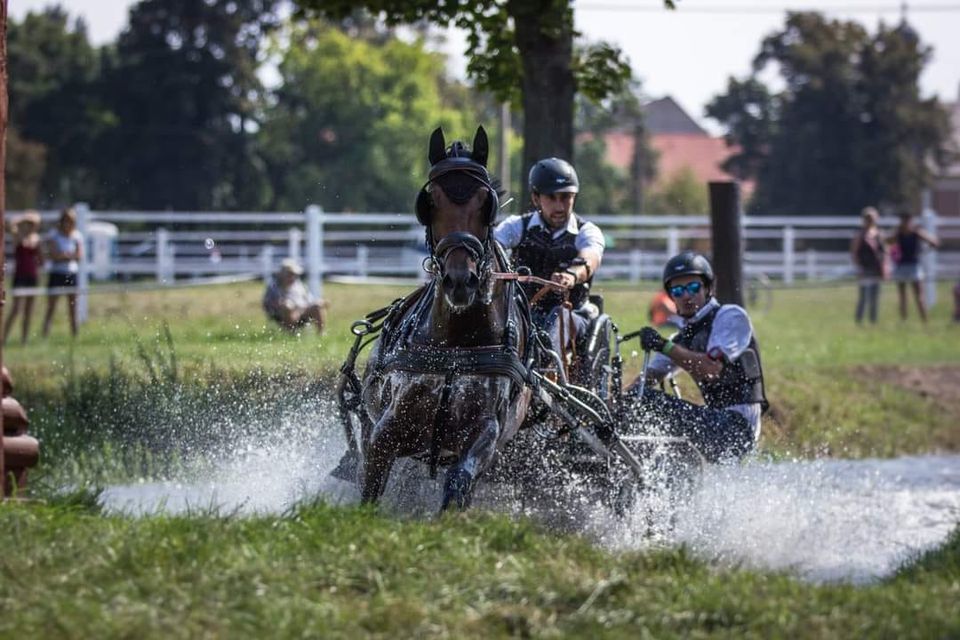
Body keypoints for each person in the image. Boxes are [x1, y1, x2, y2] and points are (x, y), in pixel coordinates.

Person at [625, 252, 768, 463]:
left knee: (645, 400)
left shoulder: (730, 316)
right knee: (635, 398)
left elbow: (711, 370)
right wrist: (610, 404)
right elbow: (645, 381)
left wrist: (663, 345)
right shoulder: (681, 338)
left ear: (708, 288)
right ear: (671, 297)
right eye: (678, 291)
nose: (686, 296)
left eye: (693, 288)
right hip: (713, 425)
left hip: (737, 431)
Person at [493, 157, 604, 361]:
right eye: (551, 198)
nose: (559, 206)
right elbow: (492, 247)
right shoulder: (516, 226)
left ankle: (547, 368)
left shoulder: (587, 231)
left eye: (566, 197)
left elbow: (591, 257)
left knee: (558, 319)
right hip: (521, 313)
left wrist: (572, 275)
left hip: (573, 315)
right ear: (536, 198)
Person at [887, 211, 939, 322]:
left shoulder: (915, 232)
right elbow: (887, 241)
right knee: (904, 296)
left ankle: (924, 320)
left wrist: (923, 251)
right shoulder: (901, 233)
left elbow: (934, 242)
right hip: (903, 266)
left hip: (912, 266)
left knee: (918, 296)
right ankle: (905, 320)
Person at [41, 207, 83, 338]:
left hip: (71, 274)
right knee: (51, 307)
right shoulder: (54, 234)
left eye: (70, 221)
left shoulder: (77, 235)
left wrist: (63, 256)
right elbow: (53, 255)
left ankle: (75, 335)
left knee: (73, 307)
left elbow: (79, 256)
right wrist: (68, 256)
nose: (67, 224)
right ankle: (45, 335)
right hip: (57, 273)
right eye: (65, 221)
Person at [4, 211, 43, 344]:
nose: (31, 226)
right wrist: (23, 218)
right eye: (29, 223)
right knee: (16, 309)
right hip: (19, 276)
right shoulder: (18, 236)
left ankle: (24, 340)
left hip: (32, 276)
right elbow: (10, 223)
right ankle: (3, 338)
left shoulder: (36, 239)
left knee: (28, 311)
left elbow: (41, 259)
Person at [262, 259, 327, 333]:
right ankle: (291, 333)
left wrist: (319, 303)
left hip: (301, 312)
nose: (292, 277)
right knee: (287, 306)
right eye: (290, 274)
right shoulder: (273, 287)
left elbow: (309, 301)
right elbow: (267, 305)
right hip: (282, 316)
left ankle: (321, 333)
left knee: (317, 306)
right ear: (283, 274)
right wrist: (283, 305)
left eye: (294, 275)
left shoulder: (299, 285)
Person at [850, 206, 887, 325]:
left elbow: (885, 252)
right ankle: (859, 321)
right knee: (864, 297)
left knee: (875, 298)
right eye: (867, 218)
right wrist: (858, 268)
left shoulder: (879, 234)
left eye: (872, 218)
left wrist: (884, 267)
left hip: (876, 269)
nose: (870, 220)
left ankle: (873, 321)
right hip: (864, 269)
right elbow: (854, 253)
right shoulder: (860, 235)